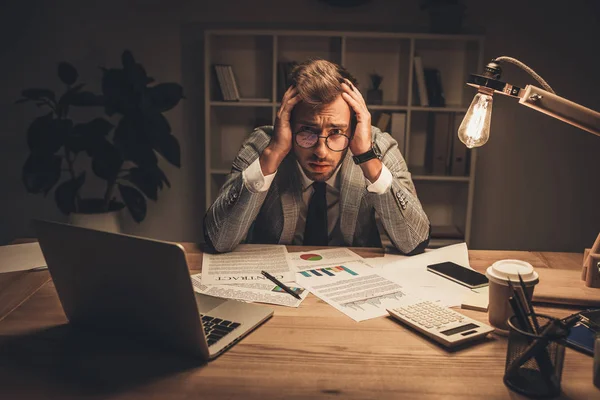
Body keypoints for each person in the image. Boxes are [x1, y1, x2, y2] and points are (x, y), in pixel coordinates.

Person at [204, 58, 431, 254]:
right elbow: (218, 240)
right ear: (289, 125)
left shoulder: (377, 147)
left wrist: (367, 158)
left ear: (353, 128)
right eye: (307, 131)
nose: (321, 152)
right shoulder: (265, 146)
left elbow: (414, 242)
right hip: (275, 279)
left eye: (336, 132)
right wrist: (272, 156)